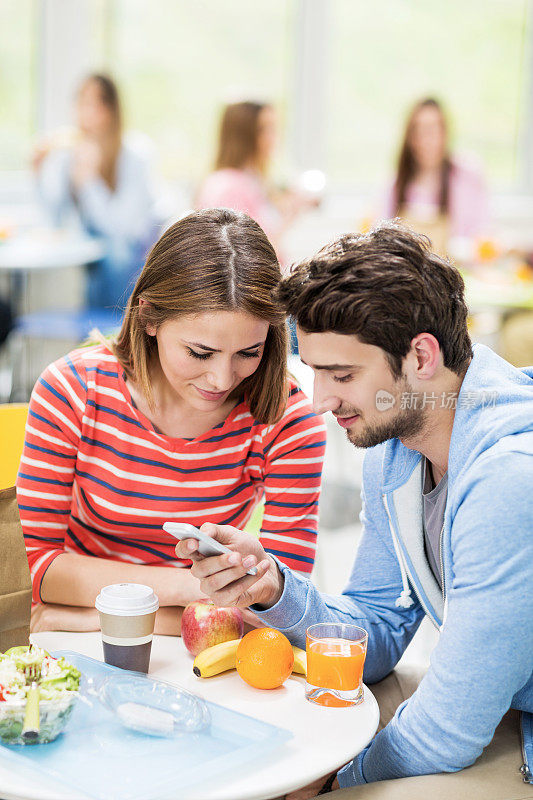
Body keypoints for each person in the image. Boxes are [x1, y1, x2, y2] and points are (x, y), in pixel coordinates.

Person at [175, 223, 533, 798]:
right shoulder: (399, 446)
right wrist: (270, 587)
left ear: (421, 355)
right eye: (314, 370)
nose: (319, 401)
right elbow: (379, 629)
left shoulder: (509, 479)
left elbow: (447, 732)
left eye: (342, 376)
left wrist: (332, 780)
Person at [16, 208, 326, 636]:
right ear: (149, 318)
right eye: (200, 353)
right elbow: (35, 568)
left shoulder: (288, 419)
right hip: (105, 643)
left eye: (248, 353)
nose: (222, 379)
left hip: (118, 632)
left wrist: (94, 619)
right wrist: (194, 588)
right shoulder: (72, 391)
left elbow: (279, 606)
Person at [34, 73, 156, 309]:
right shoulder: (70, 154)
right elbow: (54, 217)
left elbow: (120, 229)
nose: (86, 113)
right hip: (89, 248)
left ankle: (116, 331)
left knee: (114, 254)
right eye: (81, 102)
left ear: (112, 110)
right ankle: (92, 336)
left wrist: (90, 184)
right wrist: (39, 174)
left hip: (129, 251)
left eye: (95, 104)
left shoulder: (135, 154)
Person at [196, 100, 312, 268]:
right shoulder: (228, 186)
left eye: (275, 128)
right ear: (243, 135)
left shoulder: (252, 181)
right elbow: (242, 255)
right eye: (265, 129)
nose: (274, 138)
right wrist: (289, 215)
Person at [381, 98, 489, 253]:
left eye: (433, 129)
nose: (426, 140)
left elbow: (484, 238)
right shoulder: (395, 185)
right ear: (409, 137)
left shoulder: (468, 177)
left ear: (445, 132)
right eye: (418, 131)